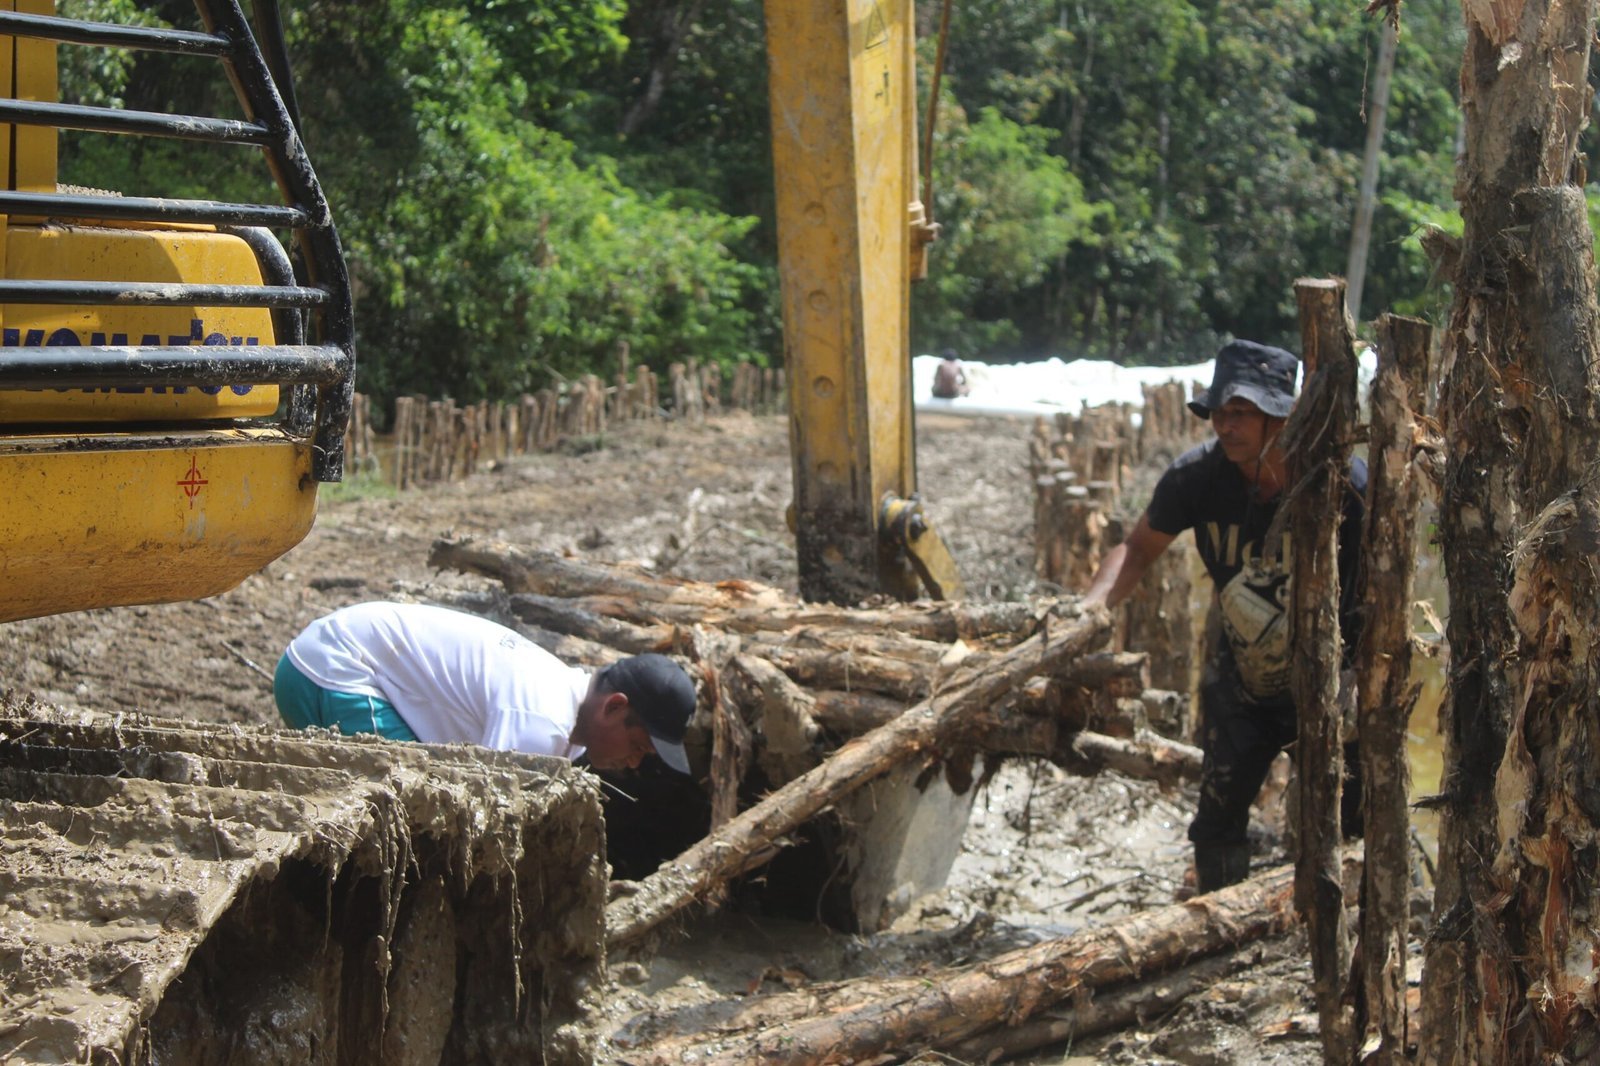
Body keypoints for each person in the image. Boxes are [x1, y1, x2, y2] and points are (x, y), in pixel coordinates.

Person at [1083, 340, 1366, 893]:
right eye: (1219, 412)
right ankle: (1218, 922)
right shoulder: (1197, 478)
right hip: (1244, 678)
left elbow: (1380, 587)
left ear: (1281, 417)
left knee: (1346, 823)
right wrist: (1088, 611)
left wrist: (1361, 678)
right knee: (1215, 821)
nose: (1225, 426)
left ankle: (1334, 932)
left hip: (1335, 681)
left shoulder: (1342, 485)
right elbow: (1138, 550)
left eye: (1242, 413)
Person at [273, 601, 696, 773]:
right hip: (331, 670)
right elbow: (486, 805)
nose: (635, 764)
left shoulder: (562, 711)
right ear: (614, 707)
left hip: (330, 659)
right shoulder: (541, 720)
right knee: (422, 797)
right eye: (639, 747)